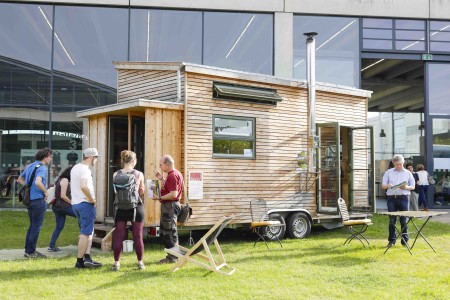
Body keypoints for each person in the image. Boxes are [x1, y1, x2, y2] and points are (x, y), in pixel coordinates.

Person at [111, 150, 145, 271]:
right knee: (137, 236)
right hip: (136, 207)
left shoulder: (116, 174)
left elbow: (115, 191)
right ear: (132, 161)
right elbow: (142, 191)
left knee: (119, 236)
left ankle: (116, 263)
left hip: (120, 207)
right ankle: (140, 262)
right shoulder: (139, 174)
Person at [17, 147, 53, 258]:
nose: (51, 159)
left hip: (29, 200)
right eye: (50, 157)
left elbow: (19, 179)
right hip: (38, 200)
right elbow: (38, 182)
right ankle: (31, 252)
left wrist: (28, 186)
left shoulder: (31, 166)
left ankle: (28, 251)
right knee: (36, 226)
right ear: (46, 156)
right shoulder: (42, 168)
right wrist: (45, 191)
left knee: (32, 226)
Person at [71, 148, 102, 269]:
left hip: (76, 204)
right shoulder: (85, 170)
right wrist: (91, 199)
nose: (96, 161)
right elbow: (83, 186)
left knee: (88, 231)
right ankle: (80, 261)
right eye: (96, 158)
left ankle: (87, 258)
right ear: (91, 158)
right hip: (85, 204)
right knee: (85, 233)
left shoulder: (75, 168)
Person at [152, 155, 183, 264]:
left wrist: (159, 198)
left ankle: (173, 258)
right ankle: (173, 255)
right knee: (169, 230)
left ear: (167, 164)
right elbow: (171, 187)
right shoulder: (174, 174)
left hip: (170, 205)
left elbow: (173, 194)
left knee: (169, 232)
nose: (160, 167)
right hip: (170, 205)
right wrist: (162, 179)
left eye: (161, 164)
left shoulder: (172, 175)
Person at [382, 154, 415, 248]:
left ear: (403, 162)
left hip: (404, 198)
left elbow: (413, 186)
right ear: (393, 163)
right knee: (392, 220)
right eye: (396, 165)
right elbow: (383, 185)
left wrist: (406, 187)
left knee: (404, 220)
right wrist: (388, 186)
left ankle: (405, 240)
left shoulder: (408, 173)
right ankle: (391, 241)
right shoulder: (388, 172)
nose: (399, 166)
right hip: (392, 198)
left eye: (400, 164)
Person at [48, 166, 76, 252]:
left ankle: (52, 246)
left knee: (59, 226)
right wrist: (72, 203)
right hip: (64, 206)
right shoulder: (65, 180)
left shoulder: (59, 179)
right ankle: (86, 237)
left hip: (57, 207)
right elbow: (63, 196)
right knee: (83, 215)